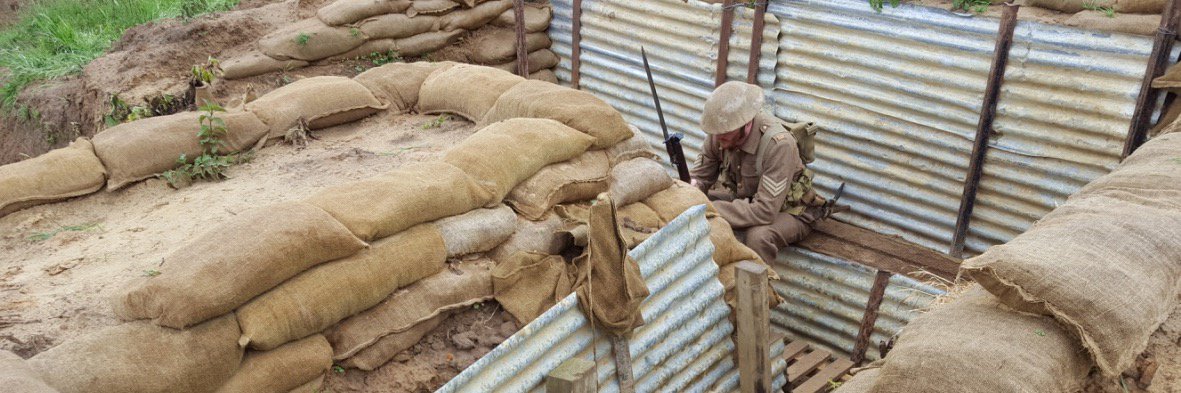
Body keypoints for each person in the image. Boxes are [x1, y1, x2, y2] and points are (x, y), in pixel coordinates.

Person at [689, 81, 825, 264]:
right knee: (687, 202)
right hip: (749, 199)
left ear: (746, 124)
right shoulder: (720, 135)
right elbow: (700, 177)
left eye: (725, 132)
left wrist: (707, 209)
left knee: (758, 237)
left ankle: (761, 283)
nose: (718, 138)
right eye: (715, 132)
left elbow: (765, 211)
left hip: (792, 210)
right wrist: (693, 188)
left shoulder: (779, 145)